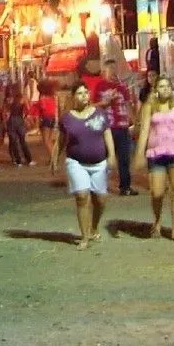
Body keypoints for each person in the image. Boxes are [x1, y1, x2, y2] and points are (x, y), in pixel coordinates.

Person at [134, 76, 174, 242]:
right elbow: (144, 131)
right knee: (157, 192)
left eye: (167, 87)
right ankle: (157, 220)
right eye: (161, 86)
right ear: (156, 89)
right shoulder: (150, 107)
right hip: (156, 153)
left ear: (171, 89)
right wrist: (140, 153)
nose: (164, 89)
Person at [60, 83, 116, 250]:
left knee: (100, 199)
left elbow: (107, 133)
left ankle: (94, 227)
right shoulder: (67, 118)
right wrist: (55, 158)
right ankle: (84, 237)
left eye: (86, 92)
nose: (84, 95)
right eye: (79, 93)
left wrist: (112, 155)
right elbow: (62, 140)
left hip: (99, 163)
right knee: (82, 196)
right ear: (73, 97)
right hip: (76, 162)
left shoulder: (100, 113)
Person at [94, 58, 137, 196]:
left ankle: (125, 186)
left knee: (124, 158)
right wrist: (104, 102)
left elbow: (128, 105)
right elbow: (92, 106)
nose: (113, 72)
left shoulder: (122, 86)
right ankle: (99, 185)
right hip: (107, 128)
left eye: (114, 69)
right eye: (110, 69)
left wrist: (134, 123)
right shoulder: (100, 86)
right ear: (104, 72)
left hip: (122, 127)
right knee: (103, 157)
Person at [5, 93, 33, 167]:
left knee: (13, 141)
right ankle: (29, 159)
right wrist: (26, 118)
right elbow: (28, 110)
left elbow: (5, 112)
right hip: (19, 120)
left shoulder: (9, 101)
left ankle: (18, 161)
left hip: (11, 121)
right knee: (22, 140)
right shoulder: (23, 101)